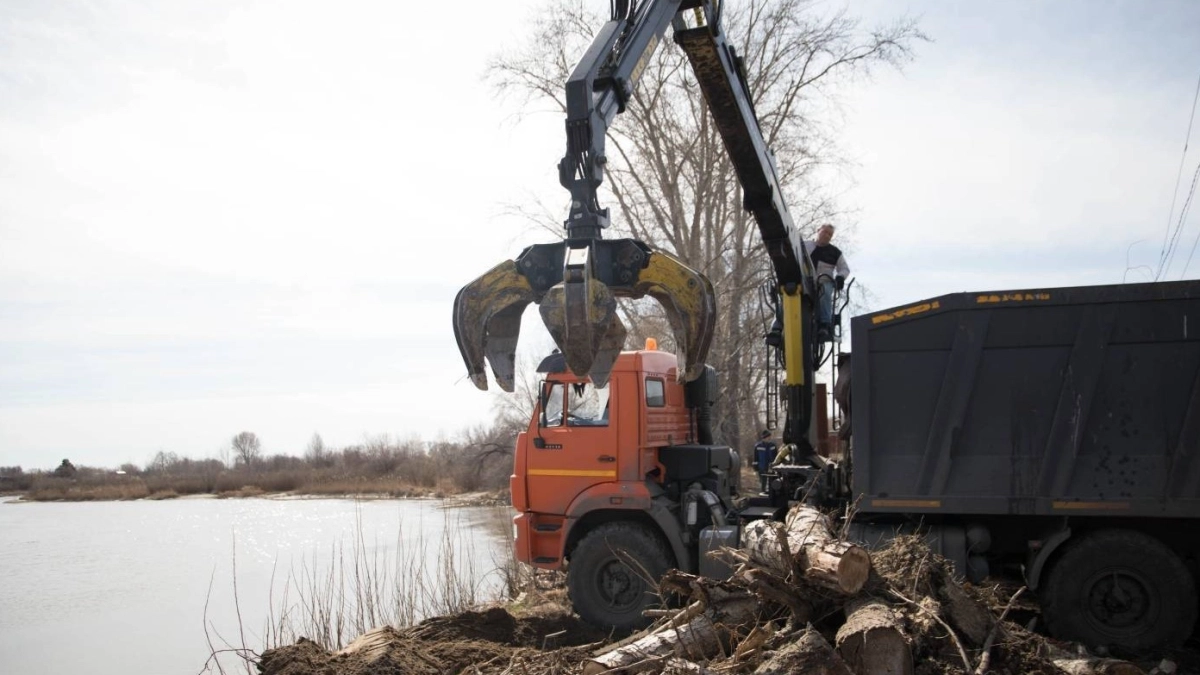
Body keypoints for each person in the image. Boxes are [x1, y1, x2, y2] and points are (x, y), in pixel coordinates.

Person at [804, 224, 850, 342]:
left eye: (830, 234)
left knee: (825, 292)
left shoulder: (835, 252)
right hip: (805, 280)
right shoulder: (805, 246)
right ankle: (778, 325)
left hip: (824, 282)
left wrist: (840, 277)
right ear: (818, 230)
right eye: (825, 232)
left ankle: (825, 324)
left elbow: (844, 269)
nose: (827, 235)